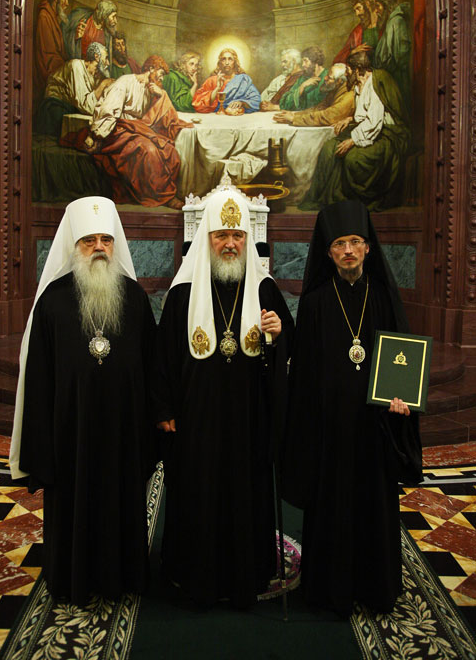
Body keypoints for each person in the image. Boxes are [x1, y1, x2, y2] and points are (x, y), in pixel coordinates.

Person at [9, 196, 156, 605]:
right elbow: (38, 379)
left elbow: (152, 364)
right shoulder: (52, 301)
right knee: (73, 505)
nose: (99, 248)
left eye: (106, 240)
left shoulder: (135, 298)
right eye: (89, 240)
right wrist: (41, 445)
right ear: (74, 246)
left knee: (120, 502)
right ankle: (71, 577)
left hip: (123, 430)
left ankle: (124, 576)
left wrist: (153, 423)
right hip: (68, 433)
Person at [154, 187, 294, 607]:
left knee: (246, 493)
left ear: (247, 238)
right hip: (197, 419)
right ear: (207, 238)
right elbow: (162, 358)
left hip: (250, 418)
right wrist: (164, 409)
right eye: (221, 235)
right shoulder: (182, 293)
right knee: (198, 491)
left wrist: (277, 337)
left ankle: (247, 572)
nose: (230, 244)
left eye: (237, 235)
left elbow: (290, 350)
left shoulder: (265, 290)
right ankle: (196, 573)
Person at [282, 199, 422, 617]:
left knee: (373, 505)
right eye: (340, 244)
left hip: (373, 425)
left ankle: (375, 588)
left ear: (368, 248)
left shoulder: (382, 298)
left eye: (355, 242)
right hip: (330, 431)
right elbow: (303, 374)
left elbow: (402, 361)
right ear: (328, 252)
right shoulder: (315, 303)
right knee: (332, 506)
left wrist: (402, 400)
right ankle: (330, 590)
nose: (348, 251)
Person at [61, 55, 193, 209]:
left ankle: (161, 192)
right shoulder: (125, 82)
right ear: (151, 69)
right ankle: (165, 196)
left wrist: (161, 95)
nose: (162, 79)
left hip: (136, 129)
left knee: (169, 151)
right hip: (115, 129)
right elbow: (108, 110)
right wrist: (97, 135)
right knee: (148, 150)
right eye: (161, 74)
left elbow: (158, 118)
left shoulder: (151, 90)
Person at [300, 50, 410, 211]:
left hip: (386, 133)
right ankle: (321, 197)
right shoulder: (359, 83)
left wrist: (352, 141)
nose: (346, 74)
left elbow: (374, 121)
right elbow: (364, 113)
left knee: (353, 159)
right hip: (368, 128)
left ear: (358, 70)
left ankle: (352, 202)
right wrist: (350, 119)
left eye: (348, 70)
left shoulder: (375, 83)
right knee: (329, 148)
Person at [34, 42, 113, 138]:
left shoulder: (98, 76)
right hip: (55, 107)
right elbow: (85, 105)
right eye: (106, 58)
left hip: (73, 108)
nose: (108, 63)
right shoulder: (76, 66)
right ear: (97, 57)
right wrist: (103, 85)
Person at [273, 63, 353, 126]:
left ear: (339, 81)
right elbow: (319, 108)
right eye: (327, 75)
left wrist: (294, 119)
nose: (325, 78)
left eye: (329, 77)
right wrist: (295, 114)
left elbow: (328, 116)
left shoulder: (349, 95)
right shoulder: (335, 89)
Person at [374, 0, 412, 107]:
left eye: (378, 6)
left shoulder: (397, 22)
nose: (376, 11)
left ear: (387, 5)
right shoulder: (390, 22)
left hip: (397, 83)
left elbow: (401, 58)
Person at [192, 48, 261, 114]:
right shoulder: (212, 80)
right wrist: (217, 88)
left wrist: (242, 103)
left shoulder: (243, 80)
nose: (227, 63)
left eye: (230, 59)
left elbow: (256, 100)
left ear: (235, 62)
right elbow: (197, 103)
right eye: (224, 59)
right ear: (220, 62)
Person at [34, 0, 69, 95]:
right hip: (47, 80)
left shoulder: (53, 16)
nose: (67, 3)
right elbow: (48, 56)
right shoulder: (44, 17)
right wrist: (68, 69)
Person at [64, 0, 118, 67]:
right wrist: (76, 37)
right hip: (79, 66)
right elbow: (65, 37)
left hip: (95, 69)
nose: (115, 21)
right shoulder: (84, 20)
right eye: (113, 17)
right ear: (105, 15)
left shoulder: (107, 33)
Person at [333, 0, 381, 65]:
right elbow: (338, 59)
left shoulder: (383, 23)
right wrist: (353, 51)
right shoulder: (357, 32)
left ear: (367, 4)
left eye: (358, 8)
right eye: (355, 10)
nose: (357, 13)